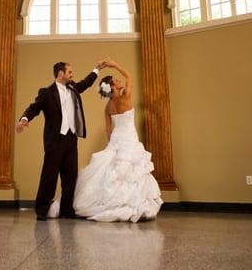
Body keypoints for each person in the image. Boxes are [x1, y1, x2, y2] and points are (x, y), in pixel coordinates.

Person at [48, 58, 163, 222]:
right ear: (113, 86)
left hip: (116, 139)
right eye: (116, 80)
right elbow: (129, 76)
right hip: (129, 138)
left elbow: (108, 129)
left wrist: (112, 144)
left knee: (111, 169)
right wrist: (115, 65)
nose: (120, 81)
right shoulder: (125, 98)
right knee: (132, 172)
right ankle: (125, 205)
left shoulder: (108, 107)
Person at [16, 60, 106, 220]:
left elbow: (85, 84)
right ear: (60, 73)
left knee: (70, 177)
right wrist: (24, 119)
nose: (72, 74)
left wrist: (97, 69)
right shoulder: (46, 92)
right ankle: (42, 210)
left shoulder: (73, 88)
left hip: (71, 140)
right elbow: (34, 108)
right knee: (49, 176)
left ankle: (66, 210)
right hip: (54, 141)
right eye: (70, 72)